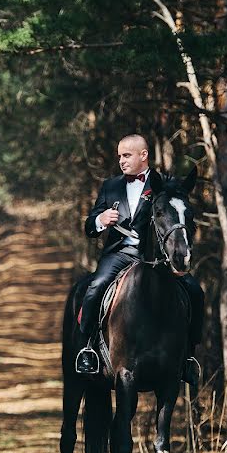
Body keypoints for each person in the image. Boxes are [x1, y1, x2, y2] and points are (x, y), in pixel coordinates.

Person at [76, 134, 203, 386]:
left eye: (127, 155)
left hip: (153, 259)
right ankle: (88, 351)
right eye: (119, 156)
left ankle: (188, 357)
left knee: (195, 291)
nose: (121, 161)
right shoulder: (110, 186)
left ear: (143, 155)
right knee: (95, 288)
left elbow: (177, 213)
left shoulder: (163, 183)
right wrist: (101, 221)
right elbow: (89, 226)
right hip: (118, 254)